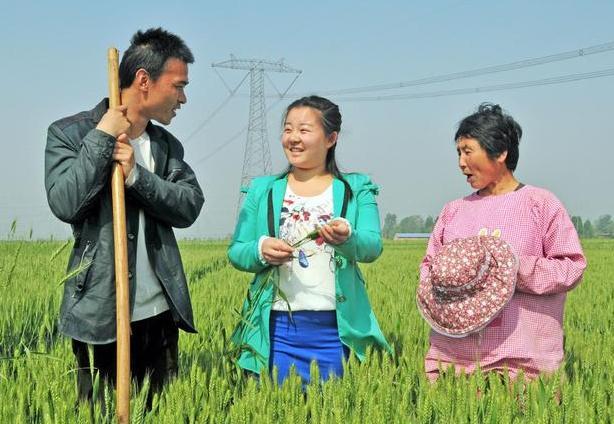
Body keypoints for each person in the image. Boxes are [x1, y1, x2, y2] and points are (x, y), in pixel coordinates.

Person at [44, 28, 204, 401]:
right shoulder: (69, 133)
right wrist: (101, 138)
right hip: (100, 314)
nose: (183, 98)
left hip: (159, 316)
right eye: (178, 86)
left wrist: (136, 176)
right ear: (144, 81)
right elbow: (65, 203)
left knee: (160, 409)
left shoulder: (165, 146)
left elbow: (189, 205)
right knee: (98, 411)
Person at [228, 95, 391, 385]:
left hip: (337, 331)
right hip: (275, 332)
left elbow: (371, 246)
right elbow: (237, 251)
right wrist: (261, 250)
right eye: (288, 129)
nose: (293, 138)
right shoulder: (262, 190)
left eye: (304, 130)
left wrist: (346, 238)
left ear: (330, 138)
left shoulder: (356, 188)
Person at [418, 103, 586, 381]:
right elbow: (428, 267)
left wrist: (510, 269)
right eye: (458, 152)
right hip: (455, 359)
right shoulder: (453, 211)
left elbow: (571, 267)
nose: (461, 162)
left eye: (468, 151)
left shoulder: (540, 204)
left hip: (522, 360)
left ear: (500, 152)